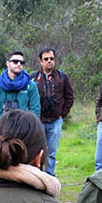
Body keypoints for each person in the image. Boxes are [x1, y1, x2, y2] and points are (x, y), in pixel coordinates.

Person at [33, 47, 74, 176]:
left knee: (51, 152)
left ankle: (49, 177)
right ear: (41, 61)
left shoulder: (62, 77)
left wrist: (62, 114)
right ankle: (37, 177)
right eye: (46, 59)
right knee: (37, 151)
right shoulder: (34, 77)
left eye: (52, 59)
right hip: (39, 121)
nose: (49, 61)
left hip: (56, 121)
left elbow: (70, 97)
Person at [0, 51, 41, 126]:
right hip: (3, 130)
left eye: (21, 62)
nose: (19, 64)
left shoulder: (31, 86)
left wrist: (29, 129)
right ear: (7, 63)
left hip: (24, 130)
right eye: (15, 61)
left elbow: (35, 111)